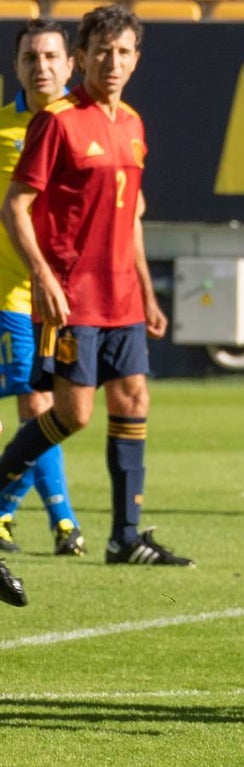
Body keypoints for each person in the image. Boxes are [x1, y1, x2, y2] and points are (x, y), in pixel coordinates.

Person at [0, 5, 193, 567]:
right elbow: (17, 205)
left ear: (136, 59)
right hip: (71, 296)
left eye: (124, 52)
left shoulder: (132, 124)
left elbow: (130, 215)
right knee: (72, 413)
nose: (113, 62)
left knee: (134, 400)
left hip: (122, 300)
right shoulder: (57, 121)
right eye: (102, 52)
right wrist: (41, 276)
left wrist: (148, 293)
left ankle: (125, 537)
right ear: (81, 57)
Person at [0, 19, 85, 557]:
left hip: (71, 301)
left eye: (52, 57)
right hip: (13, 297)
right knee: (38, 406)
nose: (42, 67)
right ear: (17, 66)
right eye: (31, 57)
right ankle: (62, 523)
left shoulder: (84, 126)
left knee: (56, 409)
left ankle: (12, 511)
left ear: (70, 64)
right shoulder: (3, 130)